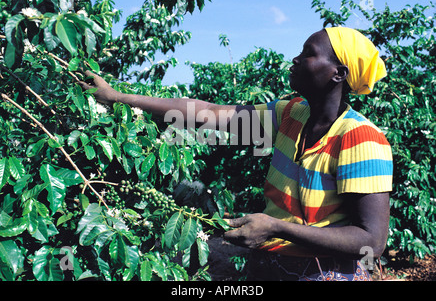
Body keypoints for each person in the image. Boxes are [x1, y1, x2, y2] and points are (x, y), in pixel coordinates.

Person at [80, 27, 393, 281]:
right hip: (271, 263)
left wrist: (278, 227)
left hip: (325, 272)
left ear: (338, 73)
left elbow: (372, 241)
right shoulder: (289, 115)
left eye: (308, 54)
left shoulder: (361, 138)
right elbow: (206, 113)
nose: (295, 60)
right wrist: (116, 97)